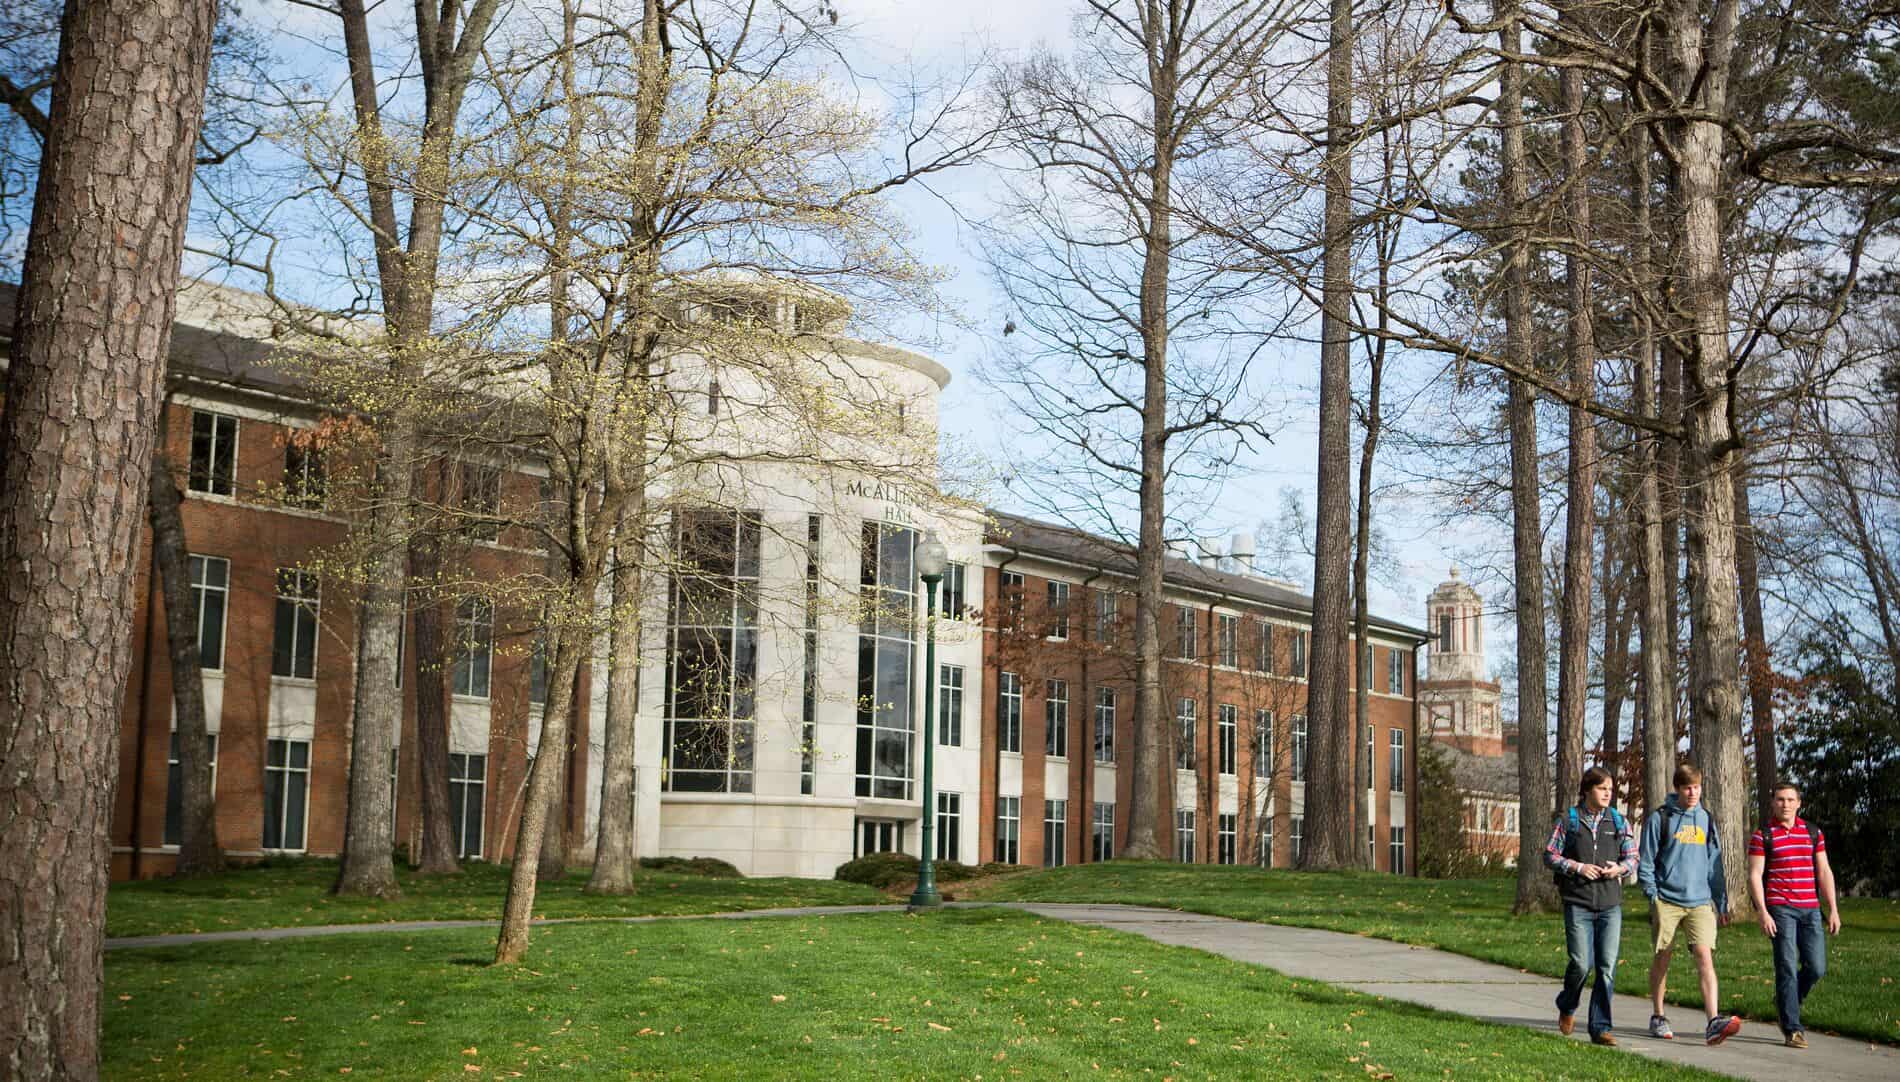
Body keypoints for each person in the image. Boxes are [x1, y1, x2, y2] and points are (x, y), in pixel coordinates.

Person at [1638, 763, 1741, 1045]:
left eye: (1696, 787)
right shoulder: (1661, 819)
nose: (1693, 793)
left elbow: (1714, 865)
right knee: (1663, 957)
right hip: (1667, 901)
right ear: (1678, 789)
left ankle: (1713, 1021)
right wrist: (1653, 896)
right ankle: (1658, 1016)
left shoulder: (1705, 818)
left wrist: (1720, 902)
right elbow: (1645, 862)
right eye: (1687, 788)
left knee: (1704, 956)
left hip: (1700, 901)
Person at [1543, 766, 1637, 1046]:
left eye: (1610, 788)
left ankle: (1600, 1027)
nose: (1608, 793)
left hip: (1610, 905)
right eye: (1602, 788)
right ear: (1587, 790)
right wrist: (1577, 867)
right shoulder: (1569, 820)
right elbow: (1549, 854)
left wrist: (1618, 869)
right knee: (1582, 964)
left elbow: (1633, 858)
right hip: (1578, 903)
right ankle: (1567, 1004)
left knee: (1607, 967)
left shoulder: (1619, 822)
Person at [1747, 783, 1842, 1049]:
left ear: (1799, 803)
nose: (1785, 804)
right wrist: (1763, 912)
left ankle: (1784, 1001)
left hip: (1810, 909)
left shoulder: (1812, 833)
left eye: (1790, 799)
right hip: (1780, 908)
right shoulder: (1763, 835)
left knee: (1816, 967)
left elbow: (1824, 871)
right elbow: (1755, 874)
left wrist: (1833, 908)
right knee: (1787, 966)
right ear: (1773, 803)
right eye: (1780, 799)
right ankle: (1793, 1028)